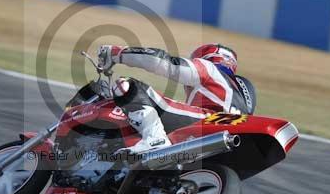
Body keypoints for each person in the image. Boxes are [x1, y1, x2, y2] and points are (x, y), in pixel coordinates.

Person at [97, 44, 255, 154]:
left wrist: (116, 53)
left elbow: (165, 63)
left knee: (127, 86)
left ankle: (154, 140)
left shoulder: (209, 69)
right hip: (232, 139)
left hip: (210, 122)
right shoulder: (244, 88)